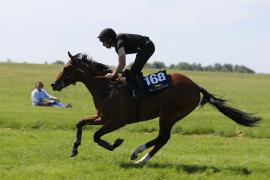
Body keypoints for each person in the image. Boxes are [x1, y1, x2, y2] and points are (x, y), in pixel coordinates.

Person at [97, 28, 155, 97]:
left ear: (109, 39)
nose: (103, 44)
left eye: (103, 41)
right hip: (145, 47)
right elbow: (121, 64)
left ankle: (144, 94)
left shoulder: (119, 43)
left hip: (147, 46)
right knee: (133, 73)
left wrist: (113, 74)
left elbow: (122, 64)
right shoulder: (118, 45)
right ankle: (140, 92)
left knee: (133, 72)